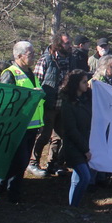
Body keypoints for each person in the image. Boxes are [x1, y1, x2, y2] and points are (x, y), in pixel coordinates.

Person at [0, 41, 44, 203]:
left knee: (23, 161)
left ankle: (14, 193)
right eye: (30, 54)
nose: (33, 57)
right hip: (17, 126)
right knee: (16, 159)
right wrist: (29, 95)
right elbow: (5, 99)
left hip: (32, 125)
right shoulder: (10, 73)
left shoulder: (31, 74)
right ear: (19, 56)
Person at [30, 34, 72, 177]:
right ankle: (33, 162)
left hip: (62, 103)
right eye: (67, 43)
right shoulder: (46, 59)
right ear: (59, 44)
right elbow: (37, 81)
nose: (69, 46)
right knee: (44, 135)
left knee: (59, 136)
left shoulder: (68, 59)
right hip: (48, 103)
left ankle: (53, 163)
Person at [57, 70, 94, 208]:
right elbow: (71, 130)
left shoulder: (86, 99)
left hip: (84, 143)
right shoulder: (67, 105)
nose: (87, 84)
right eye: (84, 82)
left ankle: (73, 207)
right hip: (74, 147)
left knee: (77, 179)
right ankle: (74, 206)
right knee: (85, 177)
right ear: (76, 84)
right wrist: (85, 149)